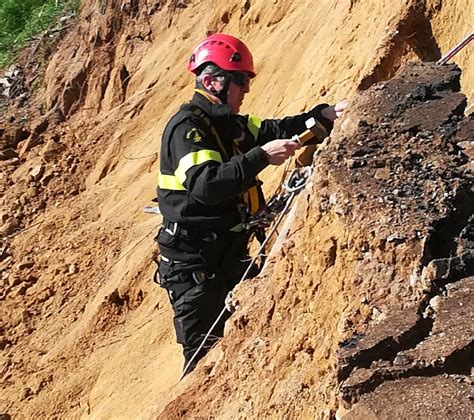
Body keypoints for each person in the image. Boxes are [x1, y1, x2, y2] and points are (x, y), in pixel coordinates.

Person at [154, 33, 347, 375]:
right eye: (240, 81)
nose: (245, 90)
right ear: (213, 81)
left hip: (226, 254)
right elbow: (206, 185)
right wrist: (259, 158)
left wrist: (324, 116)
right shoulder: (188, 129)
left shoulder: (228, 124)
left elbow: (278, 129)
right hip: (194, 268)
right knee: (205, 364)